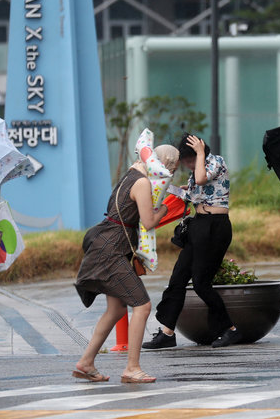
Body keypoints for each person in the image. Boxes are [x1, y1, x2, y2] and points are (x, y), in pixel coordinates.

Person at [73, 144, 179, 384]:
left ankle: (86, 363)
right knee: (142, 306)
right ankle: (132, 367)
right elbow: (149, 221)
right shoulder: (142, 182)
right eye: (172, 167)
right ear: (163, 164)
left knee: (117, 309)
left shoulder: (131, 175)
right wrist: (167, 207)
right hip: (112, 251)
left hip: (109, 246)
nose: (171, 172)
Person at [143, 134, 241, 349]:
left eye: (190, 159)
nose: (187, 164)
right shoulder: (193, 173)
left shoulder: (216, 161)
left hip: (216, 226)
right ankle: (167, 332)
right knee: (177, 278)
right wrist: (166, 185)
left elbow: (201, 180)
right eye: (185, 161)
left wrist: (199, 153)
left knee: (201, 283)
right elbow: (191, 195)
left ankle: (229, 329)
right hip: (198, 225)